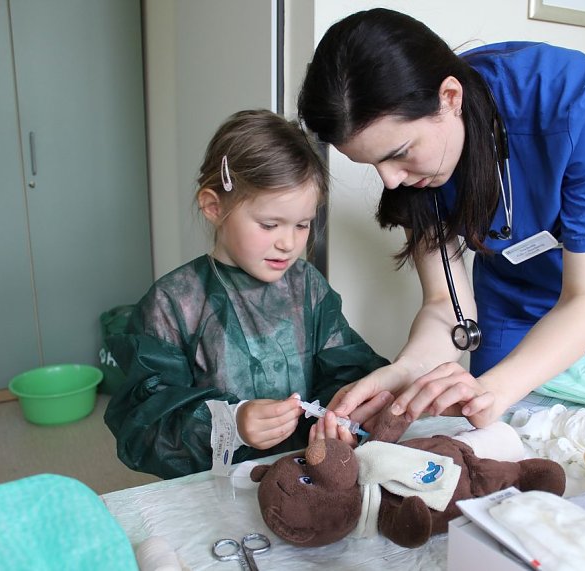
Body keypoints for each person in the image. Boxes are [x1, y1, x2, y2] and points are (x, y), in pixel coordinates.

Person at [296, 8, 585, 430]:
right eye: (372, 164)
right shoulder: (417, 172)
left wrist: (495, 389)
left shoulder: (582, 107)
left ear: (450, 98)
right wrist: (405, 370)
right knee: (490, 430)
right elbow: (445, 305)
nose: (390, 179)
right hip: (512, 289)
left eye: (399, 153)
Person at [104, 110, 390, 479]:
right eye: (269, 224)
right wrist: (230, 424)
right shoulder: (173, 304)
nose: (288, 243)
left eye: (302, 225)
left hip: (304, 475)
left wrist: (342, 414)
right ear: (213, 206)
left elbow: (343, 368)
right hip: (215, 488)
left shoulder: (308, 287)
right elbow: (143, 425)